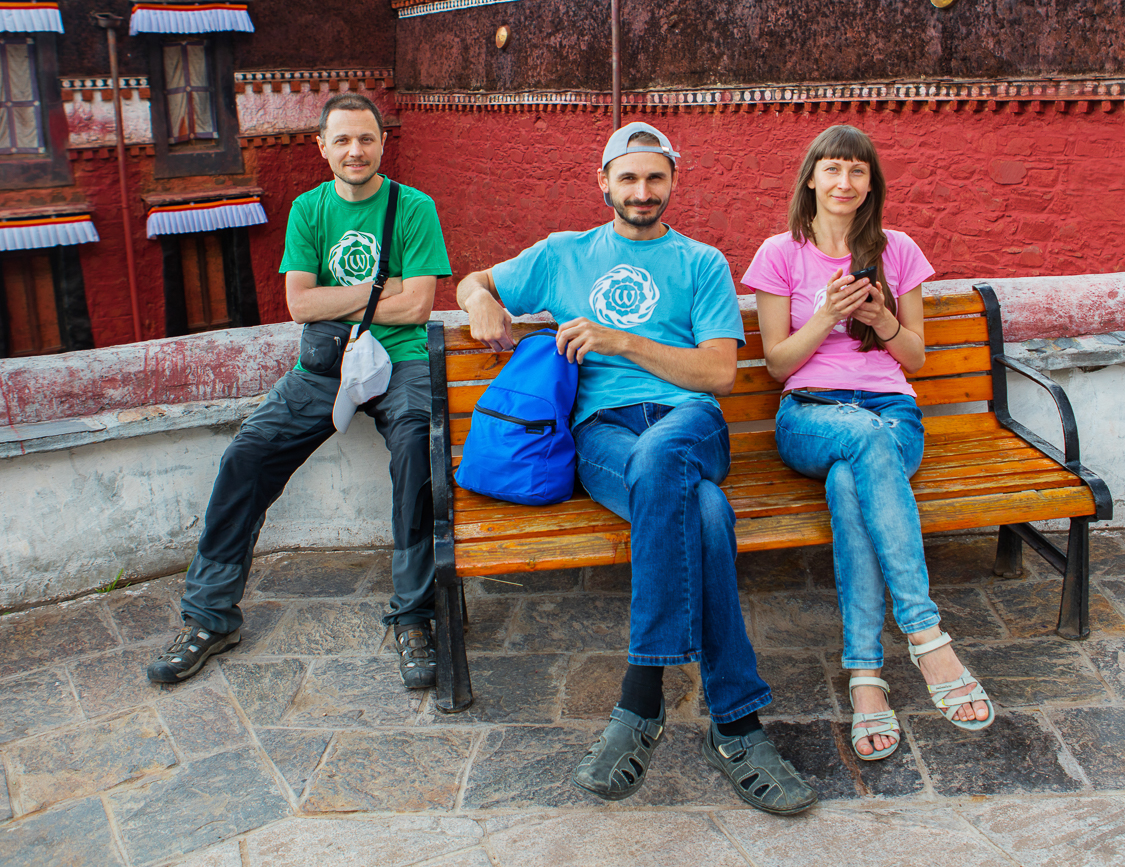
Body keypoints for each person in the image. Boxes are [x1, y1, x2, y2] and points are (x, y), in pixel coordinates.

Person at [455, 122, 817, 815]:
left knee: (662, 460)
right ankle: (737, 727)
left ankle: (641, 699)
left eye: (655, 177)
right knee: (706, 511)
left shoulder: (701, 263)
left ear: (674, 181)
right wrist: (480, 303)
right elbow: (474, 281)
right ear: (604, 182)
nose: (642, 191)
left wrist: (621, 340)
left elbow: (717, 374)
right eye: (628, 177)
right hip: (603, 434)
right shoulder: (563, 254)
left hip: (690, 423)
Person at [148, 93, 452, 689]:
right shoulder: (309, 210)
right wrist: (380, 288)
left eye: (365, 138)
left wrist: (342, 299)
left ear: (382, 143)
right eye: (342, 140)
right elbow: (298, 305)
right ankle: (210, 616)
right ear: (322, 147)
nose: (355, 150)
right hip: (324, 367)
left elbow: (418, 306)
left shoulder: (414, 207)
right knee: (248, 453)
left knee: (418, 452)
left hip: (403, 361)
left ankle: (415, 617)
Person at [742, 124, 994, 759]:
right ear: (811, 179)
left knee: (850, 479)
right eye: (832, 168)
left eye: (857, 170)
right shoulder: (780, 253)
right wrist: (828, 314)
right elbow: (777, 364)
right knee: (861, 438)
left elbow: (916, 358)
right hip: (811, 414)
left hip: (890, 413)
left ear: (871, 184)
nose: (844, 181)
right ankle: (926, 634)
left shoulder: (897, 249)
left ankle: (864, 676)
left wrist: (880, 318)